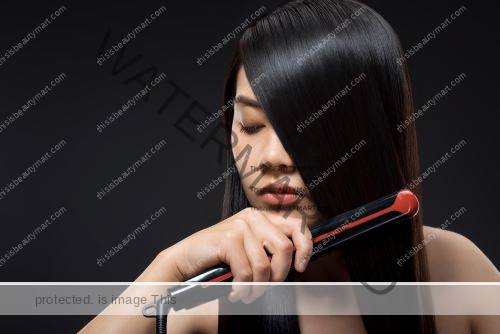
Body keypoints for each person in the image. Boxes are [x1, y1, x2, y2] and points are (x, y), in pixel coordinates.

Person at [80, 0, 499, 333]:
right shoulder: (206, 303)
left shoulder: (454, 270)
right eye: (252, 124)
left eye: (306, 129)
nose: (271, 157)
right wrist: (169, 266)